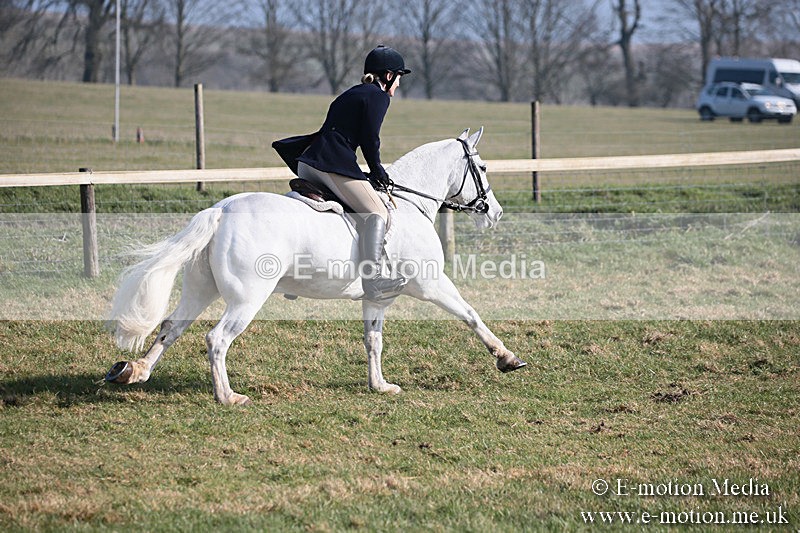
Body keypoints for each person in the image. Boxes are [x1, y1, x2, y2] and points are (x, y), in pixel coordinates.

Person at [273, 45, 411, 301]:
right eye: (399, 77)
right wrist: (378, 170)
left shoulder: (352, 93)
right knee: (377, 212)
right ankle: (374, 280)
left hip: (308, 162)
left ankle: (300, 274)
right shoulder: (377, 96)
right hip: (329, 165)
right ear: (389, 76)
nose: (399, 85)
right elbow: (371, 140)